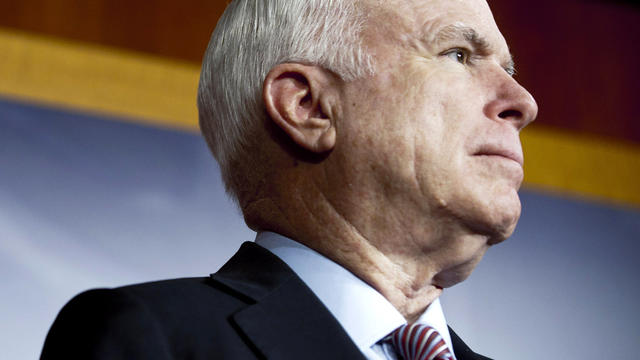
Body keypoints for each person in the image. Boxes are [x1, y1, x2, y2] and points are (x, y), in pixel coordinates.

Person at [41, 0, 537, 359]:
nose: (523, 102)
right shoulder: (152, 341)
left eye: (508, 68)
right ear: (308, 107)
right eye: (457, 54)